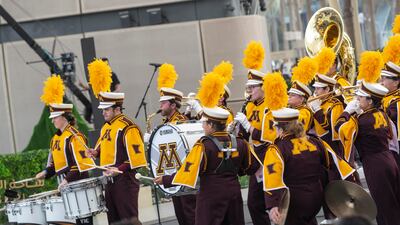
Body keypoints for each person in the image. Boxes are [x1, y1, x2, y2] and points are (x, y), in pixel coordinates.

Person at [155, 106, 258, 225]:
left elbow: (188, 172)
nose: (202, 126)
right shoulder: (241, 143)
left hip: (210, 197)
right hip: (234, 195)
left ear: (211, 125)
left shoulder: (203, 145)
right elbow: (252, 167)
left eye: (204, 123)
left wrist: (166, 179)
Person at [264, 107, 355, 225]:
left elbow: (272, 177)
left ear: (280, 129)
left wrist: (273, 204)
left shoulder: (277, 148)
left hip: (294, 200)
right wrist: (351, 188)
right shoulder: (315, 141)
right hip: (316, 196)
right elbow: (338, 165)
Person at [335, 81, 400, 225]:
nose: (357, 100)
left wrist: (346, 111)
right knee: (393, 202)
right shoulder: (381, 113)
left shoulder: (361, 120)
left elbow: (339, 128)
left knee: (383, 205)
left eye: (360, 97)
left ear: (370, 101)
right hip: (388, 158)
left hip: (375, 164)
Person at [86, 92, 147, 223]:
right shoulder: (106, 127)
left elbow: (137, 158)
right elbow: (104, 148)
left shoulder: (129, 127)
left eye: (106, 109)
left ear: (117, 109)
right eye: (103, 109)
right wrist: (95, 152)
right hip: (110, 182)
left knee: (129, 221)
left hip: (125, 181)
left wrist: (118, 169)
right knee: (114, 221)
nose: (103, 113)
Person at [36, 103, 95, 225]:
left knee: (83, 221)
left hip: (78, 185)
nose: (52, 121)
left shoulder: (75, 136)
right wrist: (46, 172)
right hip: (65, 185)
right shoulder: (55, 139)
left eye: (55, 117)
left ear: (64, 117)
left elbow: (81, 164)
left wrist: (66, 180)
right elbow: (57, 164)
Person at [234, 69, 272, 225]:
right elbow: (244, 136)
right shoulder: (249, 105)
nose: (249, 91)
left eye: (253, 87)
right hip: (256, 156)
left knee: (274, 200)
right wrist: (237, 131)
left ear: (263, 87)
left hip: (270, 154)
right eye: (247, 87)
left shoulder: (270, 105)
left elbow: (268, 136)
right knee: (254, 203)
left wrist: (247, 125)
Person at [157, 87, 197, 225]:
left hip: (183, 172)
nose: (160, 105)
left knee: (190, 214)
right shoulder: (166, 123)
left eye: (164, 103)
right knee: (181, 215)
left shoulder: (181, 121)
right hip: (172, 173)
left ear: (173, 105)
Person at [380, 61, 400, 164]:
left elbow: (390, 117)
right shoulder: (386, 97)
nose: (381, 81)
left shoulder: (397, 100)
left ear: (396, 82)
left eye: (384, 78)